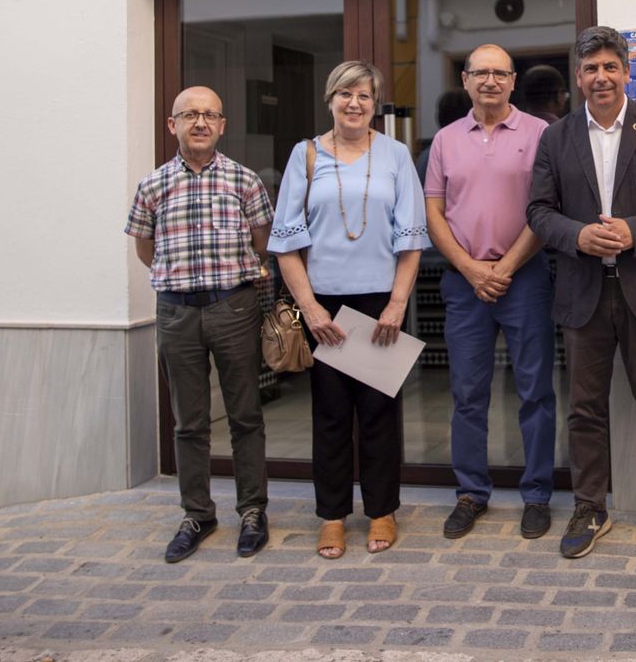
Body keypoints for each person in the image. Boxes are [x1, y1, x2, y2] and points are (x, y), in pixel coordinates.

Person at [527, 26, 636, 562]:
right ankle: (590, 507)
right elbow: (537, 212)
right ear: (578, 79)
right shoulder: (555, 138)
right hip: (582, 293)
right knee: (584, 409)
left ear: (627, 72)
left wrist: (635, 231)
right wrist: (577, 236)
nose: (600, 77)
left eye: (610, 66)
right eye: (590, 69)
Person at [269, 61, 430, 560]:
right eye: (344, 94)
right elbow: (284, 242)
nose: (354, 103)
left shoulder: (396, 155)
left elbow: (411, 236)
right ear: (329, 99)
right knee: (331, 416)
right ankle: (332, 516)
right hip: (325, 306)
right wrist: (311, 309)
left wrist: (398, 303)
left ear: (374, 102)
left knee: (381, 415)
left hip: (381, 301)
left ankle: (382, 510)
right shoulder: (306, 155)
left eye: (363, 95)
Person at [125, 86, 273, 563]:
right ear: (173, 125)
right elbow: (145, 249)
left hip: (233, 307)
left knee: (245, 416)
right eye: (190, 115)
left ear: (222, 125)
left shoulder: (245, 181)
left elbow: (261, 241)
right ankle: (197, 513)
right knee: (189, 423)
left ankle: (252, 510)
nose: (201, 123)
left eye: (210, 114)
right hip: (176, 312)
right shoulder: (153, 185)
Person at [425, 44, 557, 541]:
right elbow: (433, 213)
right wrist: (471, 268)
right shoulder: (444, 140)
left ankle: (538, 494)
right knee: (467, 394)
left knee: (536, 392)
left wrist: (503, 267)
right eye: (480, 72)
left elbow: (544, 208)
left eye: (499, 73)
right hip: (465, 283)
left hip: (524, 278)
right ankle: (471, 493)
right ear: (465, 79)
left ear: (513, 80)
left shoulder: (540, 133)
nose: (490, 81)